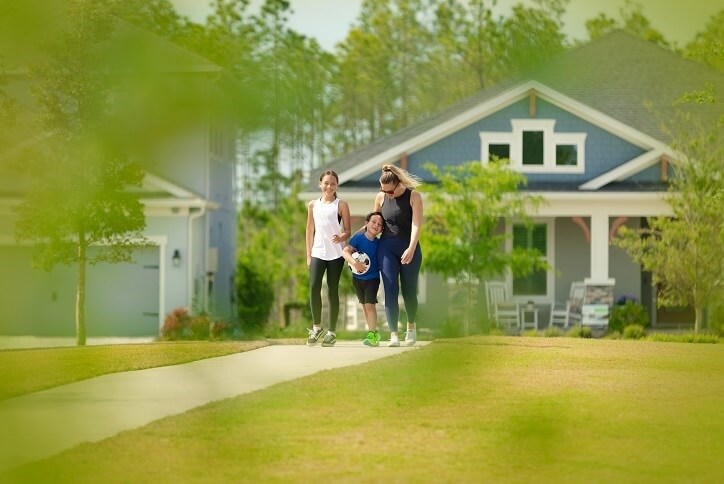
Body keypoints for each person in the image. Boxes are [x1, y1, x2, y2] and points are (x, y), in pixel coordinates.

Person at [374, 164, 423, 347]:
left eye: (390, 192)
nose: (387, 194)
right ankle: (393, 334)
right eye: (383, 191)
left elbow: (417, 225)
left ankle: (411, 327)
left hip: (409, 247)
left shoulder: (414, 196)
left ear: (398, 184)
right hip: (386, 248)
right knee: (390, 289)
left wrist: (411, 248)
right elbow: (375, 222)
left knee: (409, 291)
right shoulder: (380, 197)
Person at [305, 170, 351, 347]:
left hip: (336, 254)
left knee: (332, 291)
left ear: (336, 186)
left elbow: (347, 229)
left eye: (332, 183)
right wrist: (308, 255)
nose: (329, 186)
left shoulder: (341, 204)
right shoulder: (312, 205)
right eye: (326, 183)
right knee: (314, 288)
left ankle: (331, 332)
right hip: (317, 252)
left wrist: (342, 237)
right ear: (320, 184)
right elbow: (309, 230)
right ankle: (317, 328)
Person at [342, 212, 385, 347]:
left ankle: (372, 334)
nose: (376, 226)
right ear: (366, 223)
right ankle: (373, 333)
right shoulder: (358, 238)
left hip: (372, 278)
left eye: (379, 225)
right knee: (365, 307)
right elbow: (345, 252)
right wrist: (355, 263)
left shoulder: (380, 243)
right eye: (373, 222)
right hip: (357, 278)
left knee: (369, 305)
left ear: (382, 230)